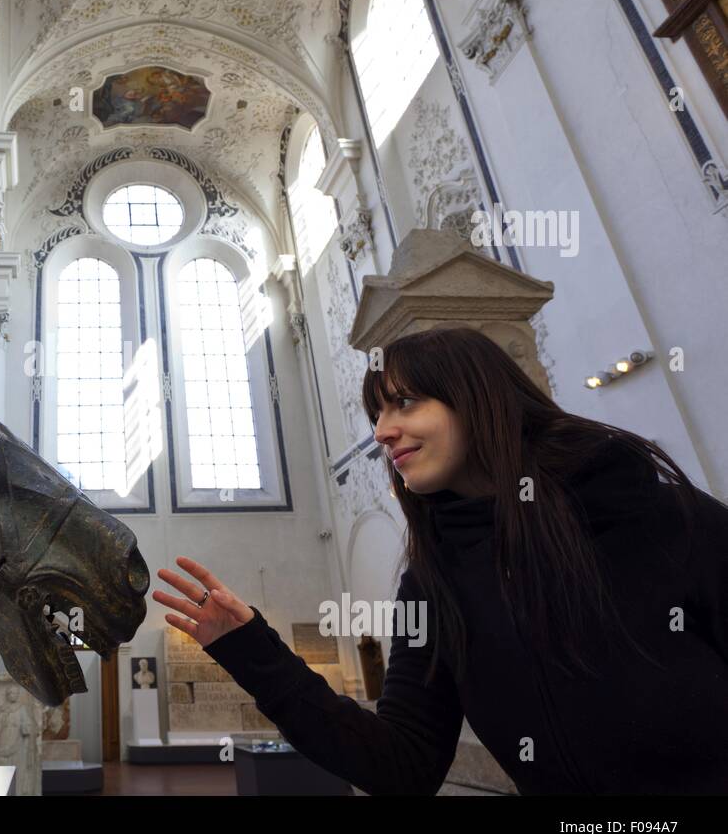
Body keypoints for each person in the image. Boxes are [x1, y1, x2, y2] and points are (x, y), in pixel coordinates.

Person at [155, 327, 728, 794]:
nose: (382, 431)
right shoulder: (433, 583)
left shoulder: (655, 514)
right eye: (375, 414)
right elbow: (403, 764)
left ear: (479, 397)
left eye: (403, 402)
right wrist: (252, 650)